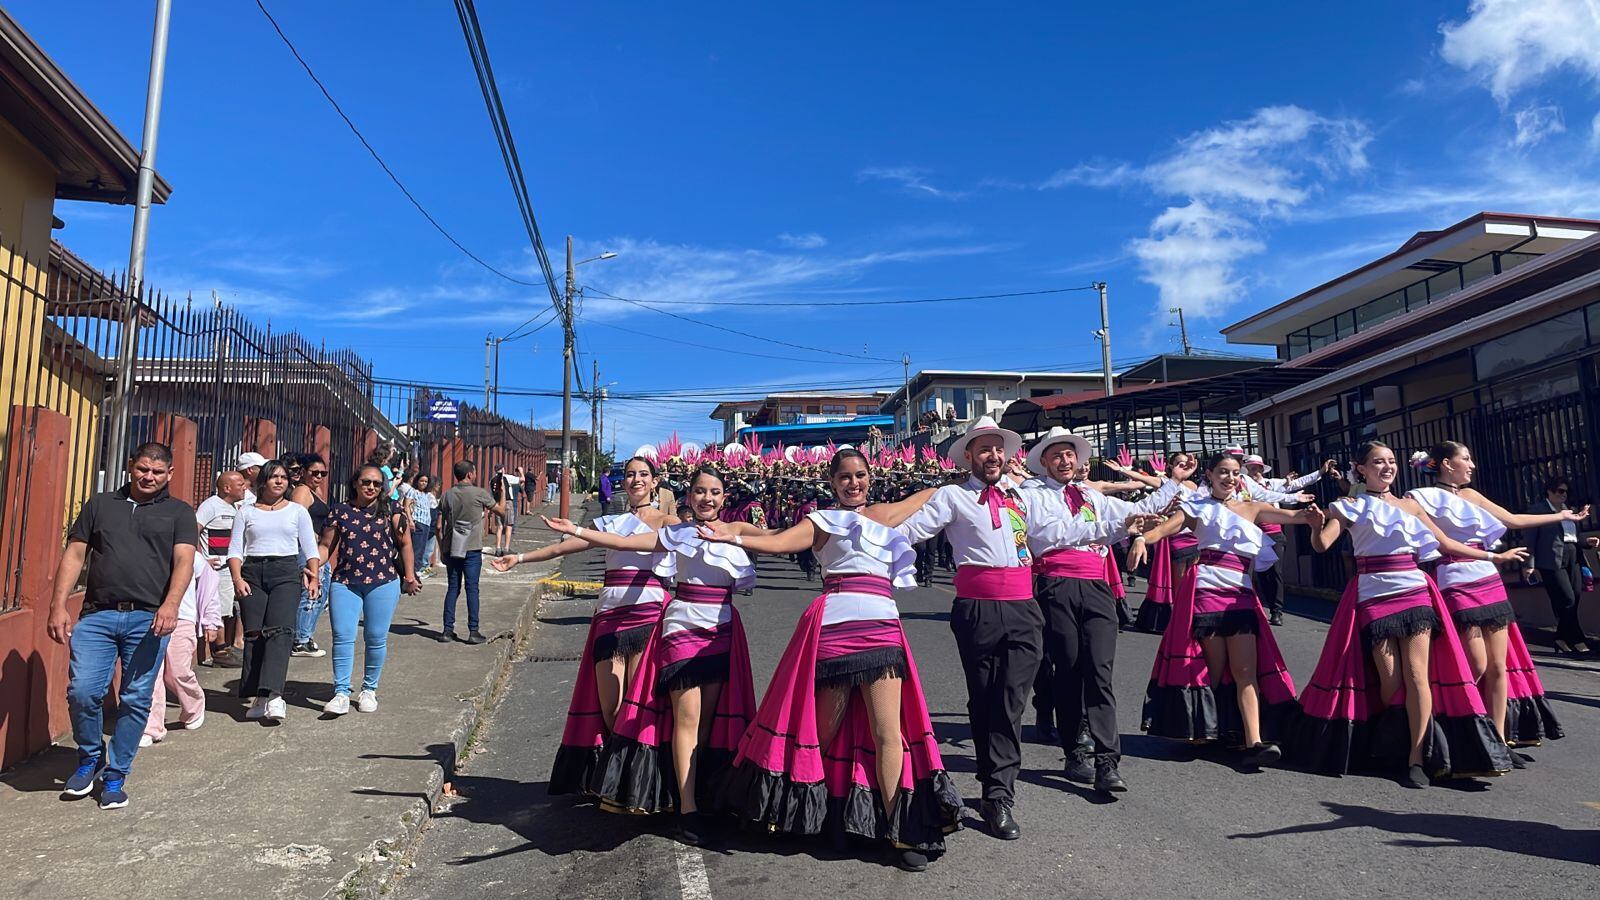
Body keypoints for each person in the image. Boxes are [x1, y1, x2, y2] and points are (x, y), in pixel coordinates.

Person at [699, 449, 955, 872]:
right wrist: (735, 538)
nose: (853, 483)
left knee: (887, 732)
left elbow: (927, 496)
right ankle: (815, 815)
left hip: (883, 629)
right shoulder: (821, 521)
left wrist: (961, 481)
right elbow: (779, 542)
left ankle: (899, 830)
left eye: (860, 476)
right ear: (832, 482)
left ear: (870, 478)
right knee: (821, 731)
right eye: (844, 478)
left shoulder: (883, 515)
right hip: (835, 631)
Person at [894, 418, 1134, 839]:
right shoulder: (954, 496)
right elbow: (911, 532)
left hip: (1024, 608)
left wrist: (1129, 523)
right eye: (984, 449)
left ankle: (1000, 794)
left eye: (998, 449)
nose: (993, 456)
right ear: (968, 455)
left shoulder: (1020, 497)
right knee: (983, 701)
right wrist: (866, 554)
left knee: (1010, 703)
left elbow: (1062, 530)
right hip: (977, 609)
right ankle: (991, 786)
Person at [543, 467, 759, 847]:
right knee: (686, 720)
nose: (707, 498)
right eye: (699, 492)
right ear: (688, 498)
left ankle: (690, 790)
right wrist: (576, 529)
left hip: (722, 633)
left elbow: (784, 539)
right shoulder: (677, 533)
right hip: (681, 629)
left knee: (706, 724)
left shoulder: (737, 532)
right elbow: (622, 543)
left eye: (714, 492)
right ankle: (687, 809)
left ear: (724, 497)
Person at [1294, 440, 1519, 788]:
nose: (1387, 467)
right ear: (1362, 469)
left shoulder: (1411, 505)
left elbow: (1445, 543)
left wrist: (1493, 557)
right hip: (1373, 595)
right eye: (1378, 462)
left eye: (1391, 462)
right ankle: (1394, 740)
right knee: (1392, 681)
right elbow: (1322, 544)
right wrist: (1314, 524)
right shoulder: (1348, 505)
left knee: (1417, 675)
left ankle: (1416, 758)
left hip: (1415, 592)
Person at [1016, 427, 1187, 797]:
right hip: (1056, 584)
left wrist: (1172, 483)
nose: (1065, 461)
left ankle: (1108, 761)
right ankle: (1075, 750)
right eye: (1057, 455)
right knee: (1069, 669)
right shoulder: (1033, 496)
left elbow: (1138, 511)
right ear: (1043, 462)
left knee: (1100, 671)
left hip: (1095, 586)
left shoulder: (1090, 496)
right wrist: (1115, 527)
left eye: (1070, 454)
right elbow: (1052, 534)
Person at [493, 457, 677, 796]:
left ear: (655, 482)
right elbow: (562, 547)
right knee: (610, 707)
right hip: (610, 616)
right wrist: (518, 558)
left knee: (638, 703)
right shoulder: (609, 523)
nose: (636, 480)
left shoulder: (668, 521)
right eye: (631, 474)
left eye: (643, 475)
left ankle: (632, 782)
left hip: (648, 615)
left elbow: (644, 547)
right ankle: (615, 770)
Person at [47, 442, 199, 810]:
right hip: (97, 614)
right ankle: (89, 759)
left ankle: (116, 773)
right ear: (131, 467)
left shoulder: (180, 512)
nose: (149, 477)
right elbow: (75, 553)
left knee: (134, 697)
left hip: (148, 618)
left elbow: (184, 561)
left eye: (157, 472)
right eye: (143, 469)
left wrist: (171, 604)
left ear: (170, 475)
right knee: (83, 692)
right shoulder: (101, 505)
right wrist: (57, 605)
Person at [1137, 453, 1310, 767]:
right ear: (1210, 475)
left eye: (1234, 473)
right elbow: (1163, 530)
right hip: (1207, 594)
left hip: (1241, 596)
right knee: (1215, 671)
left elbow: (1296, 517)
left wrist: (1320, 514)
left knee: (1246, 671)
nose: (1230, 478)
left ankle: (1254, 741)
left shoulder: (1253, 508)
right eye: (1223, 472)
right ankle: (1210, 729)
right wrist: (1140, 539)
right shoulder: (1196, 508)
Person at [1409, 445, 1574, 755]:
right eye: (1466, 459)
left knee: (1498, 666)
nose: (1471, 465)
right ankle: (1457, 725)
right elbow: (1442, 544)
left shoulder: (1472, 496)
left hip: (1489, 579)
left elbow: (1512, 519)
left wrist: (1562, 515)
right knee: (1477, 664)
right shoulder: (1420, 497)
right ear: (1446, 463)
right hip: (1456, 579)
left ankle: (1497, 741)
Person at [317, 465, 420, 714]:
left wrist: (410, 575)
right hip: (345, 582)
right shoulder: (339, 511)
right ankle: (341, 692)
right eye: (366, 482)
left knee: (375, 638)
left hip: (383, 581)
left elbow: (405, 544)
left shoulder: (391, 510)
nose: (371, 487)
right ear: (355, 483)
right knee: (342, 636)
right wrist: (312, 567)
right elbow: (326, 545)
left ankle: (369, 690)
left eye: (376, 483)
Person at [228, 460, 322, 722]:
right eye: (273, 477)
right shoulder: (246, 512)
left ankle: (275, 695)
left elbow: (309, 548)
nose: (279, 481)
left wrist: (313, 577)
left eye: (283, 477)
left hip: (286, 572)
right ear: (263, 482)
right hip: (253, 573)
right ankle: (258, 694)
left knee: (280, 631)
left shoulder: (296, 511)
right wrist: (237, 579)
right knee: (254, 633)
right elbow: (236, 550)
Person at [142, 558, 222, 746]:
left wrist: (211, 620)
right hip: (150, 619)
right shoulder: (148, 548)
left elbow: (209, 586)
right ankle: (152, 727)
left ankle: (194, 706)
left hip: (183, 619)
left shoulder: (191, 554)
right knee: (152, 675)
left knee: (177, 672)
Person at [1525, 474, 1599, 657]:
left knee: (1575, 595)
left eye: (1566, 492)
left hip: (1573, 555)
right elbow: (1530, 538)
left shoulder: (1569, 510)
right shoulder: (1539, 510)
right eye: (1560, 491)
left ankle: (1562, 637)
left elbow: (1572, 537)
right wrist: (1529, 564)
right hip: (1551, 559)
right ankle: (1577, 638)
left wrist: (1587, 542)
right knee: (1567, 599)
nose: (1563, 495)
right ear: (1549, 491)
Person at [437, 460, 505, 643]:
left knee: (453, 588)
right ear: (469, 474)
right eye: (474, 472)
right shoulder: (479, 494)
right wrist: (503, 491)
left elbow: (438, 526)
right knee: (472, 588)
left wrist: (442, 548)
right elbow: (501, 511)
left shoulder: (447, 495)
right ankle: (473, 631)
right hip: (472, 548)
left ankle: (447, 630)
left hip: (452, 548)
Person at [195, 471, 246, 668]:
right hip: (218, 567)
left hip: (232, 565)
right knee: (222, 607)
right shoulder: (210, 506)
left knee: (232, 607)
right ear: (226, 488)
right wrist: (201, 559)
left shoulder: (235, 508)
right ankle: (220, 649)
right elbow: (194, 529)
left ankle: (232, 644)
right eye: (240, 484)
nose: (244, 487)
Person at [290, 454, 334, 657]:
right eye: (314, 472)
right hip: (306, 549)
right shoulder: (302, 491)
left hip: (316, 550)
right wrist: (311, 537)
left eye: (322, 473)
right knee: (310, 591)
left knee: (320, 591)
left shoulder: (315, 491)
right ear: (303, 473)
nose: (318, 477)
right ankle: (300, 640)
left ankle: (305, 636)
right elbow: (297, 518)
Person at [402, 472, 439, 581]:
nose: (423, 483)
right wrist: (410, 521)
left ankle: (418, 569)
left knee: (422, 548)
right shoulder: (412, 491)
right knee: (416, 548)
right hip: (417, 522)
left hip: (426, 523)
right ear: (417, 481)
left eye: (426, 481)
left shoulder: (426, 495)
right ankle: (414, 571)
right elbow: (406, 506)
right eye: (421, 481)